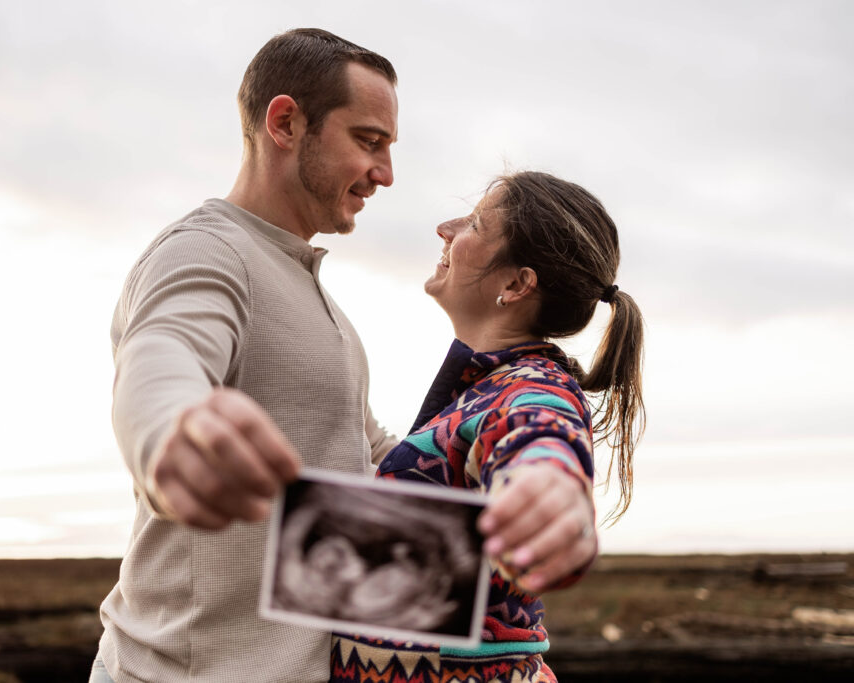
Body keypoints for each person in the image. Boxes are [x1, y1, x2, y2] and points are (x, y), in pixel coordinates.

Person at [91, 29, 401, 682]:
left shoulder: (326, 306)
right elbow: (162, 353)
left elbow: (369, 455)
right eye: (368, 141)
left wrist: (521, 474)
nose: (386, 174)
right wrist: (173, 431)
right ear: (286, 122)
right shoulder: (207, 250)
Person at [330, 171, 646, 683]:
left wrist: (547, 483)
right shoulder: (481, 387)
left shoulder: (533, 385)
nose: (445, 229)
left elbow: (539, 429)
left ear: (517, 284)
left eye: (475, 222)